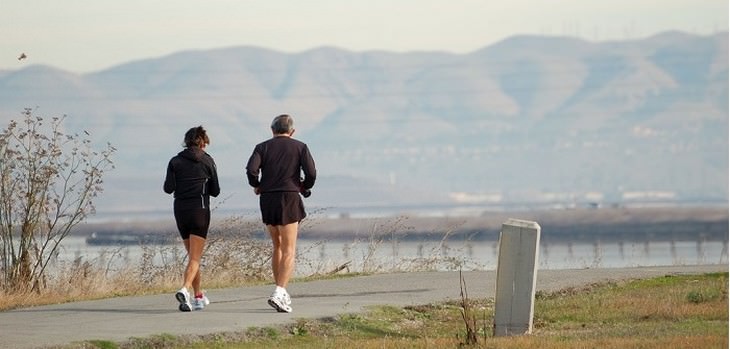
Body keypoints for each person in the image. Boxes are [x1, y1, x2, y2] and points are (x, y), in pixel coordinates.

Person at [246, 114, 316, 313]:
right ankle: (280, 291)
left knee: (276, 245)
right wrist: (303, 186)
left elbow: (251, 171)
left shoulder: (262, 147)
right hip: (289, 197)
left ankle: (280, 292)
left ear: (272, 130)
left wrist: (258, 185)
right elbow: (311, 173)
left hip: (267, 198)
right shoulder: (300, 147)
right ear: (292, 131)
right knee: (289, 248)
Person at [163, 126, 220, 312]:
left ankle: (197, 297)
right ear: (203, 142)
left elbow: (168, 188)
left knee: (192, 257)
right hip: (200, 210)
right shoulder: (207, 160)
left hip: (180, 210)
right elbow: (216, 191)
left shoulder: (175, 161)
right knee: (195, 258)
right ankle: (185, 289)